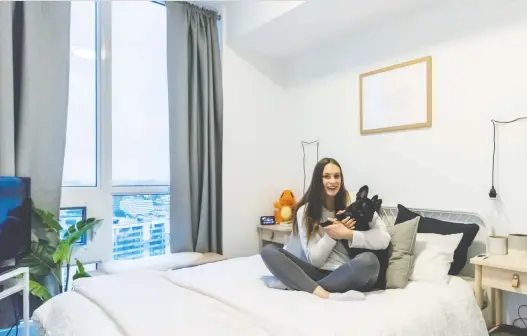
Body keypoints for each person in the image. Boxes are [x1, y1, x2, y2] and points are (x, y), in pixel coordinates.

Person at [260, 157, 391, 301]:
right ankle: (323, 293)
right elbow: (315, 261)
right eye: (326, 176)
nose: (333, 181)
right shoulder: (305, 211)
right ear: (318, 180)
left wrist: (348, 234)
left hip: (348, 271)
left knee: (369, 261)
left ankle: (299, 285)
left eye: (337, 176)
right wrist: (332, 235)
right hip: (317, 271)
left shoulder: (355, 201)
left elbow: (384, 239)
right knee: (268, 251)